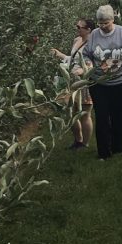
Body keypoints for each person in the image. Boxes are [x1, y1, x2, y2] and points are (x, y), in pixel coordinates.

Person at [81, 5, 122, 160]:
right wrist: (87, 64)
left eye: (106, 23)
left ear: (113, 20)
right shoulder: (94, 35)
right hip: (99, 84)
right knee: (101, 117)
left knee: (118, 116)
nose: (103, 26)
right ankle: (103, 152)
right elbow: (86, 54)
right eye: (100, 23)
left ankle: (117, 147)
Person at [50, 18, 95, 149]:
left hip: (84, 82)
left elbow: (93, 64)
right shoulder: (77, 40)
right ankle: (78, 140)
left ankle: (85, 143)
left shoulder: (93, 44)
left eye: (79, 27)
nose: (77, 29)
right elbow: (72, 59)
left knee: (85, 114)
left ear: (88, 30)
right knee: (71, 112)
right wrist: (60, 55)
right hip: (71, 82)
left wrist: (83, 71)